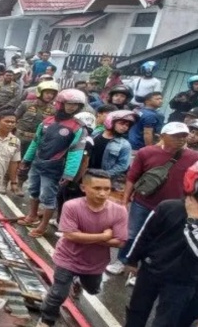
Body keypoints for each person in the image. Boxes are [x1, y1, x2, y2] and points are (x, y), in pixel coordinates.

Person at [106, 122, 198, 285]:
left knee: (160, 239)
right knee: (133, 233)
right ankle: (122, 261)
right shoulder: (146, 153)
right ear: (162, 136)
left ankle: (141, 269)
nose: (181, 139)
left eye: (183, 136)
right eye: (176, 136)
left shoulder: (194, 157)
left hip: (173, 208)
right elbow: (132, 177)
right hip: (144, 203)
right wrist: (125, 200)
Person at [37, 170, 128, 327]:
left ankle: (78, 281)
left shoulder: (119, 211)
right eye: (97, 188)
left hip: (95, 263)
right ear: (84, 188)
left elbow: (120, 241)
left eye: (107, 189)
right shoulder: (71, 206)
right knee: (58, 293)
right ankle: (46, 319)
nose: (103, 193)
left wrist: (83, 236)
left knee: (93, 289)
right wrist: (104, 237)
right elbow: (70, 236)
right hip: (68, 258)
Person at [123, 161, 198, 327]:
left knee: (167, 321)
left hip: (183, 280)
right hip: (152, 270)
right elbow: (145, 235)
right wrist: (133, 260)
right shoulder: (168, 207)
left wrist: (193, 220)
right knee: (137, 311)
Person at [19, 89, 87, 238]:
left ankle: (43, 226)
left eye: (75, 105)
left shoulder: (78, 127)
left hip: (54, 167)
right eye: (69, 104)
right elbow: (36, 142)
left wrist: (69, 173)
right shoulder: (46, 121)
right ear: (61, 104)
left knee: (48, 197)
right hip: (37, 163)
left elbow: (76, 153)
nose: (71, 107)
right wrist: (26, 159)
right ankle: (32, 215)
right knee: (33, 190)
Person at [11, 80, 59, 195]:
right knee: (13, 160)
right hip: (20, 137)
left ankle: (19, 185)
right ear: (40, 92)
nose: (49, 95)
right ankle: (6, 181)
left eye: (52, 93)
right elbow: (14, 119)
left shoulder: (53, 110)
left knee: (27, 164)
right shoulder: (26, 104)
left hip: (37, 141)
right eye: (47, 92)